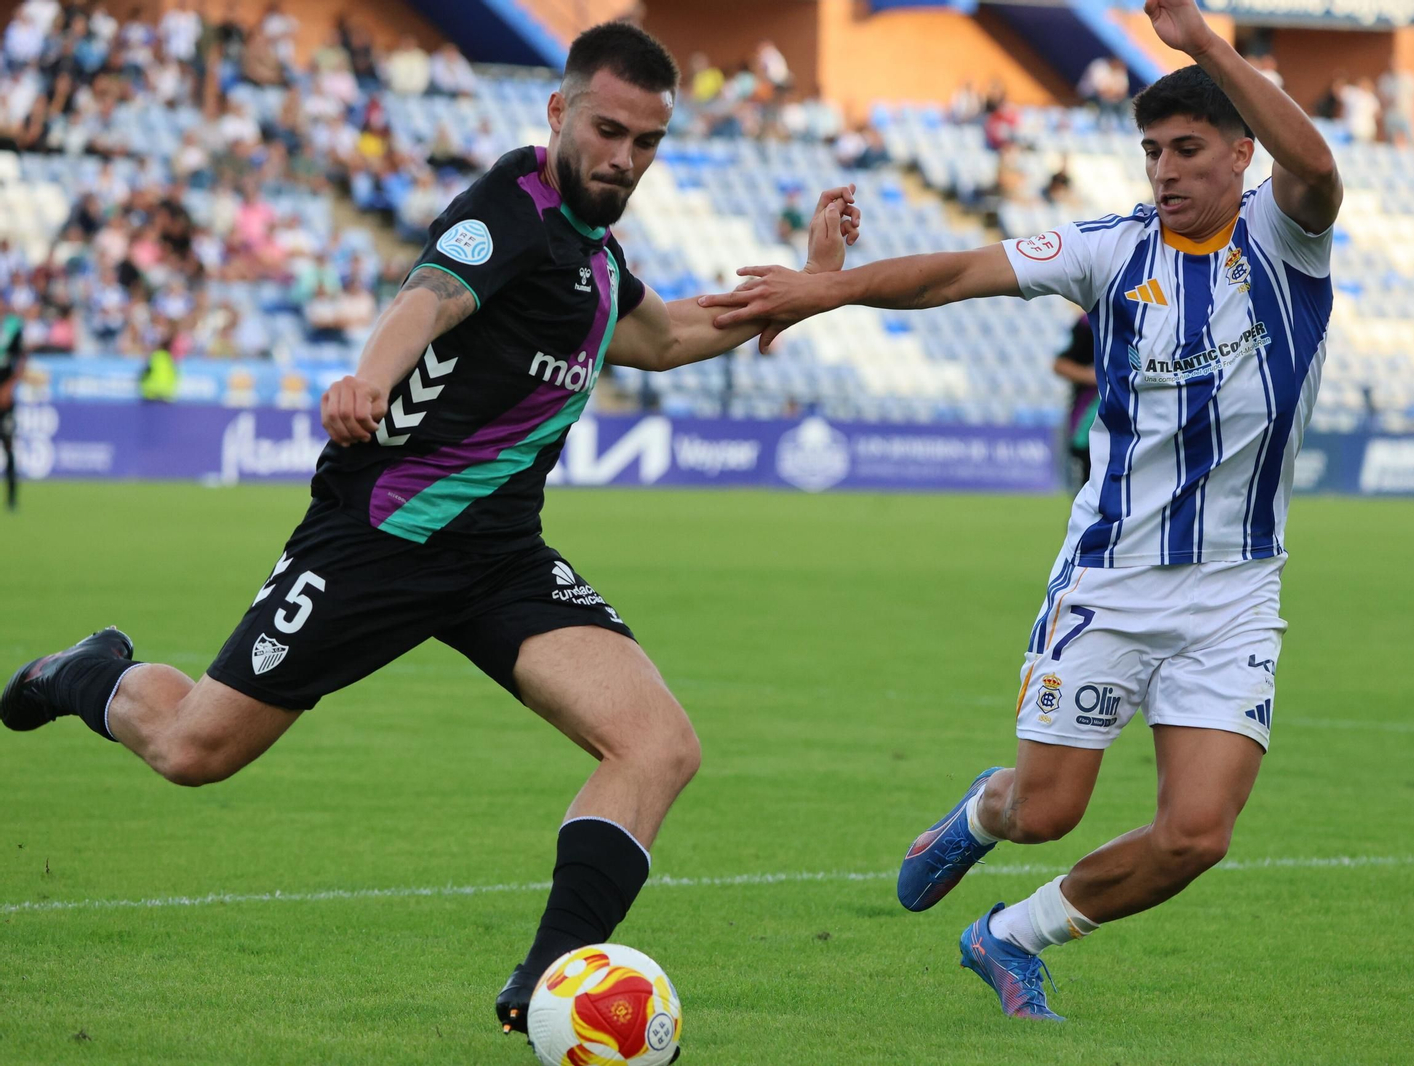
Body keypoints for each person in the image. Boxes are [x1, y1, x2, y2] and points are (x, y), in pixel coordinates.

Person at [0, 19, 861, 1036]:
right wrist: (369, 375)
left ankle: (547, 981)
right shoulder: (511, 209)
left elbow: (667, 336)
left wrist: (813, 288)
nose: (623, 157)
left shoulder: (592, 254)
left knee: (658, 746)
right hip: (379, 539)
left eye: (646, 143)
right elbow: (431, 295)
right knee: (195, 748)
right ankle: (85, 672)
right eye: (608, 129)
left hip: (500, 558)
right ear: (560, 111)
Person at [700, 0, 1339, 1020]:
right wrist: (831, 290)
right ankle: (979, 813)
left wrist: (1208, 44)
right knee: (1043, 810)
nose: (1164, 170)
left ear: (1239, 152)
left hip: (1236, 592)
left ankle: (1007, 935)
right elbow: (960, 272)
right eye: (1150, 152)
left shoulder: (1285, 242)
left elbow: (1317, 168)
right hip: (1111, 578)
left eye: (1185, 148)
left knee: (1197, 836)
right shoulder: (1109, 250)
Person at [1052, 313, 1096, 493]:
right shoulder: (1088, 322)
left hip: (1134, 426)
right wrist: (1100, 377)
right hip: (1087, 424)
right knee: (1085, 497)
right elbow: (1060, 364)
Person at [0, 307, 24, 511]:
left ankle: (12, 499)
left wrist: (8, 388)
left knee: (8, 445)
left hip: (4, 400)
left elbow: (21, 361)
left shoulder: (13, 329)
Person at [1377, 61, 1414, 149]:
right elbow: (1380, 96)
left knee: (1412, 139)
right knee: (1390, 141)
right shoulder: (1385, 80)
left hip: (1406, 114)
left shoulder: (1409, 78)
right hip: (1391, 114)